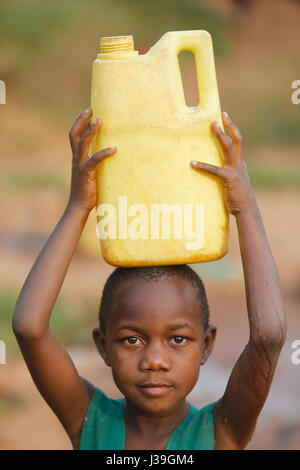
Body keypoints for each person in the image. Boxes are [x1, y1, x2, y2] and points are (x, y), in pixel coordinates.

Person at [12, 108, 287, 450]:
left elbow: (269, 336)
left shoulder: (220, 431)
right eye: (131, 340)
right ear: (102, 345)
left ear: (207, 344)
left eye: (178, 339)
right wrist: (79, 207)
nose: (154, 360)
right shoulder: (90, 420)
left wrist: (246, 209)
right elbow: (29, 327)